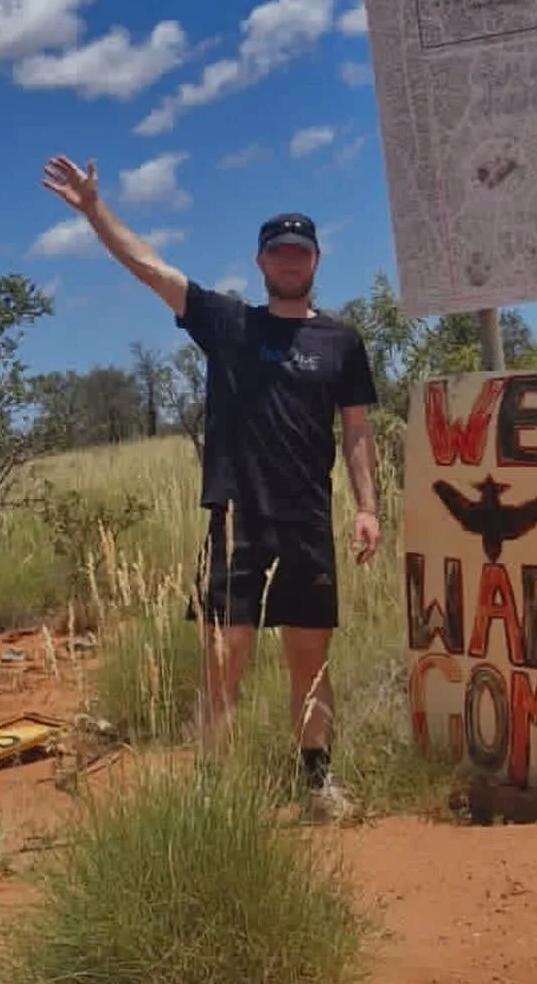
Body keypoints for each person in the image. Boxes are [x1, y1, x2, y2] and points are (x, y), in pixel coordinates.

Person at [40, 155, 380, 821]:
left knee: (309, 658)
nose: (289, 260)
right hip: (236, 517)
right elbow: (150, 268)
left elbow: (358, 430)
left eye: (299, 251)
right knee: (224, 657)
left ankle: (317, 783)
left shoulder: (340, 341)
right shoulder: (229, 324)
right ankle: (211, 795)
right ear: (261, 261)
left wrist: (367, 507)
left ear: (315, 259)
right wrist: (93, 210)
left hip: (307, 517)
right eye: (278, 251)